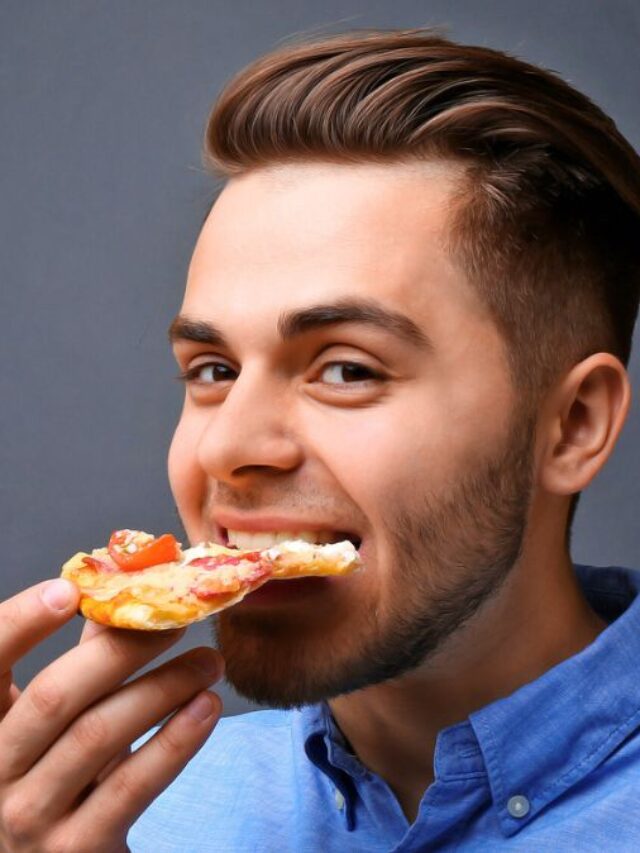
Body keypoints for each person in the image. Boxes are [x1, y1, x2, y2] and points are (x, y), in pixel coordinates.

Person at [2, 28, 640, 853]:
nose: (225, 447)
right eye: (212, 369)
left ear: (573, 425)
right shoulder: (100, 817)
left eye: (345, 370)